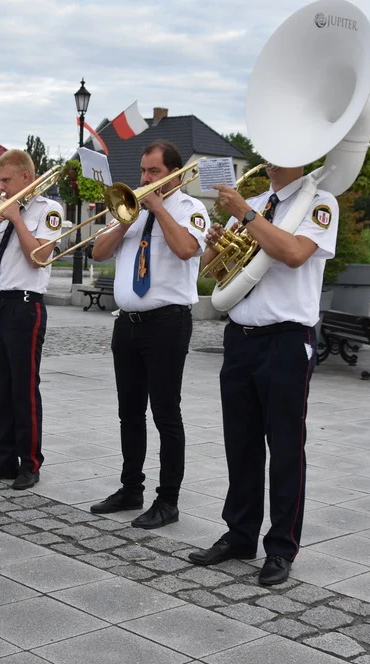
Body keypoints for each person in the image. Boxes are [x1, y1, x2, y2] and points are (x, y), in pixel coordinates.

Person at [187, 164, 337, 587]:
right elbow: (210, 272)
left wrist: (249, 219)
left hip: (286, 340)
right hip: (240, 337)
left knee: (286, 447)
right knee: (241, 443)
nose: (272, 158)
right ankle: (239, 535)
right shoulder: (251, 204)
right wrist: (218, 244)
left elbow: (293, 254)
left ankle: (282, 547)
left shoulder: (319, 203)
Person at [87, 141, 208, 529]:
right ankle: (130, 488)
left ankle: (168, 500)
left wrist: (157, 206)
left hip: (167, 323)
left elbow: (187, 249)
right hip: (128, 324)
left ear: (172, 173)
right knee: (129, 413)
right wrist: (125, 219)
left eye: (153, 172)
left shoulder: (191, 210)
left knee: (166, 414)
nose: (144, 179)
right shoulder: (131, 210)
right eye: (143, 171)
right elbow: (98, 253)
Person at [0, 150, 61, 490]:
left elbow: (39, 257)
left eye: (7, 180)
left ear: (26, 176)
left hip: (26, 305)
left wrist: (17, 220)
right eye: (0, 181)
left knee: (24, 387)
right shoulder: (6, 213)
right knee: (1, 386)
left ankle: (30, 462)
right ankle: (4, 457)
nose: (2, 187)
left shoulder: (48, 210)